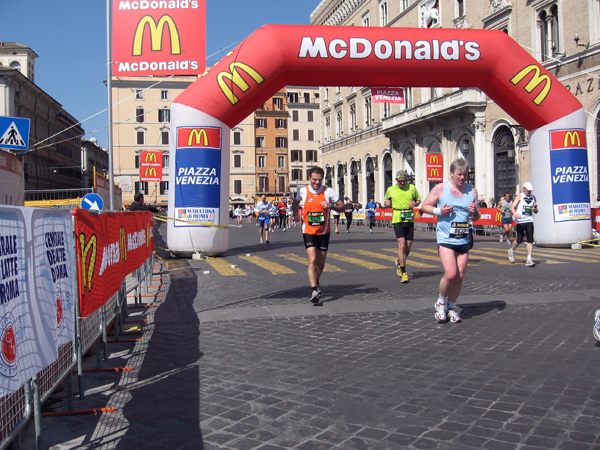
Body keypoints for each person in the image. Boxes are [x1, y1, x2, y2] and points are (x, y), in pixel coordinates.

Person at [421, 158, 480, 324]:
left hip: (464, 237)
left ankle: (451, 308)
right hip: (446, 238)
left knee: (460, 277)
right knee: (451, 274)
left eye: (465, 175)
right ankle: (441, 303)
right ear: (452, 173)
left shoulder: (472, 191)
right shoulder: (441, 188)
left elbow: (477, 216)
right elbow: (424, 206)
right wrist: (440, 210)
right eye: (459, 174)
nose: (462, 178)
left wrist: (475, 212)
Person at [292, 167, 345, 305]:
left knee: (321, 262)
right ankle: (314, 290)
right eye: (314, 180)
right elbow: (295, 202)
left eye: (319, 180)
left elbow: (342, 207)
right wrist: (296, 214)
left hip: (324, 231)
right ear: (309, 178)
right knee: (313, 259)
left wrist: (330, 205)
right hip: (308, 230)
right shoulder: (303, 191)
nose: (316, 183)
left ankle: (316, 280)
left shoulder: (328, 191)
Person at [384, 170, 421, 283]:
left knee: (408, 246)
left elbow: (418, 200)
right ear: (396, 180)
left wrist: (415, 204)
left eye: (404, 181)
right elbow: (386, 200)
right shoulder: (391, 189)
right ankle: (404, 272)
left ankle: (399, 261)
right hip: (397, 217)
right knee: (402, 243)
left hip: (409, 216)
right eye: (400, 181)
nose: (402, 183)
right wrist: (387, 203)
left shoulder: (412, 188)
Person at [508, 182, 538, 267]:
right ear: (524, 189)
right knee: (519, 239)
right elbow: (512, 207)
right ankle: (512, 250)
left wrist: (535, 210)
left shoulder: (533, 197)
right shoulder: (520, 196)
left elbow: (536, 209)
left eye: (530, 191)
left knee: (530, 239)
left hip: (529, 220)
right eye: (528, 191)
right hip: (520, 221)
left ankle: (529, 259)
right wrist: (515, 214)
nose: (529, 192)